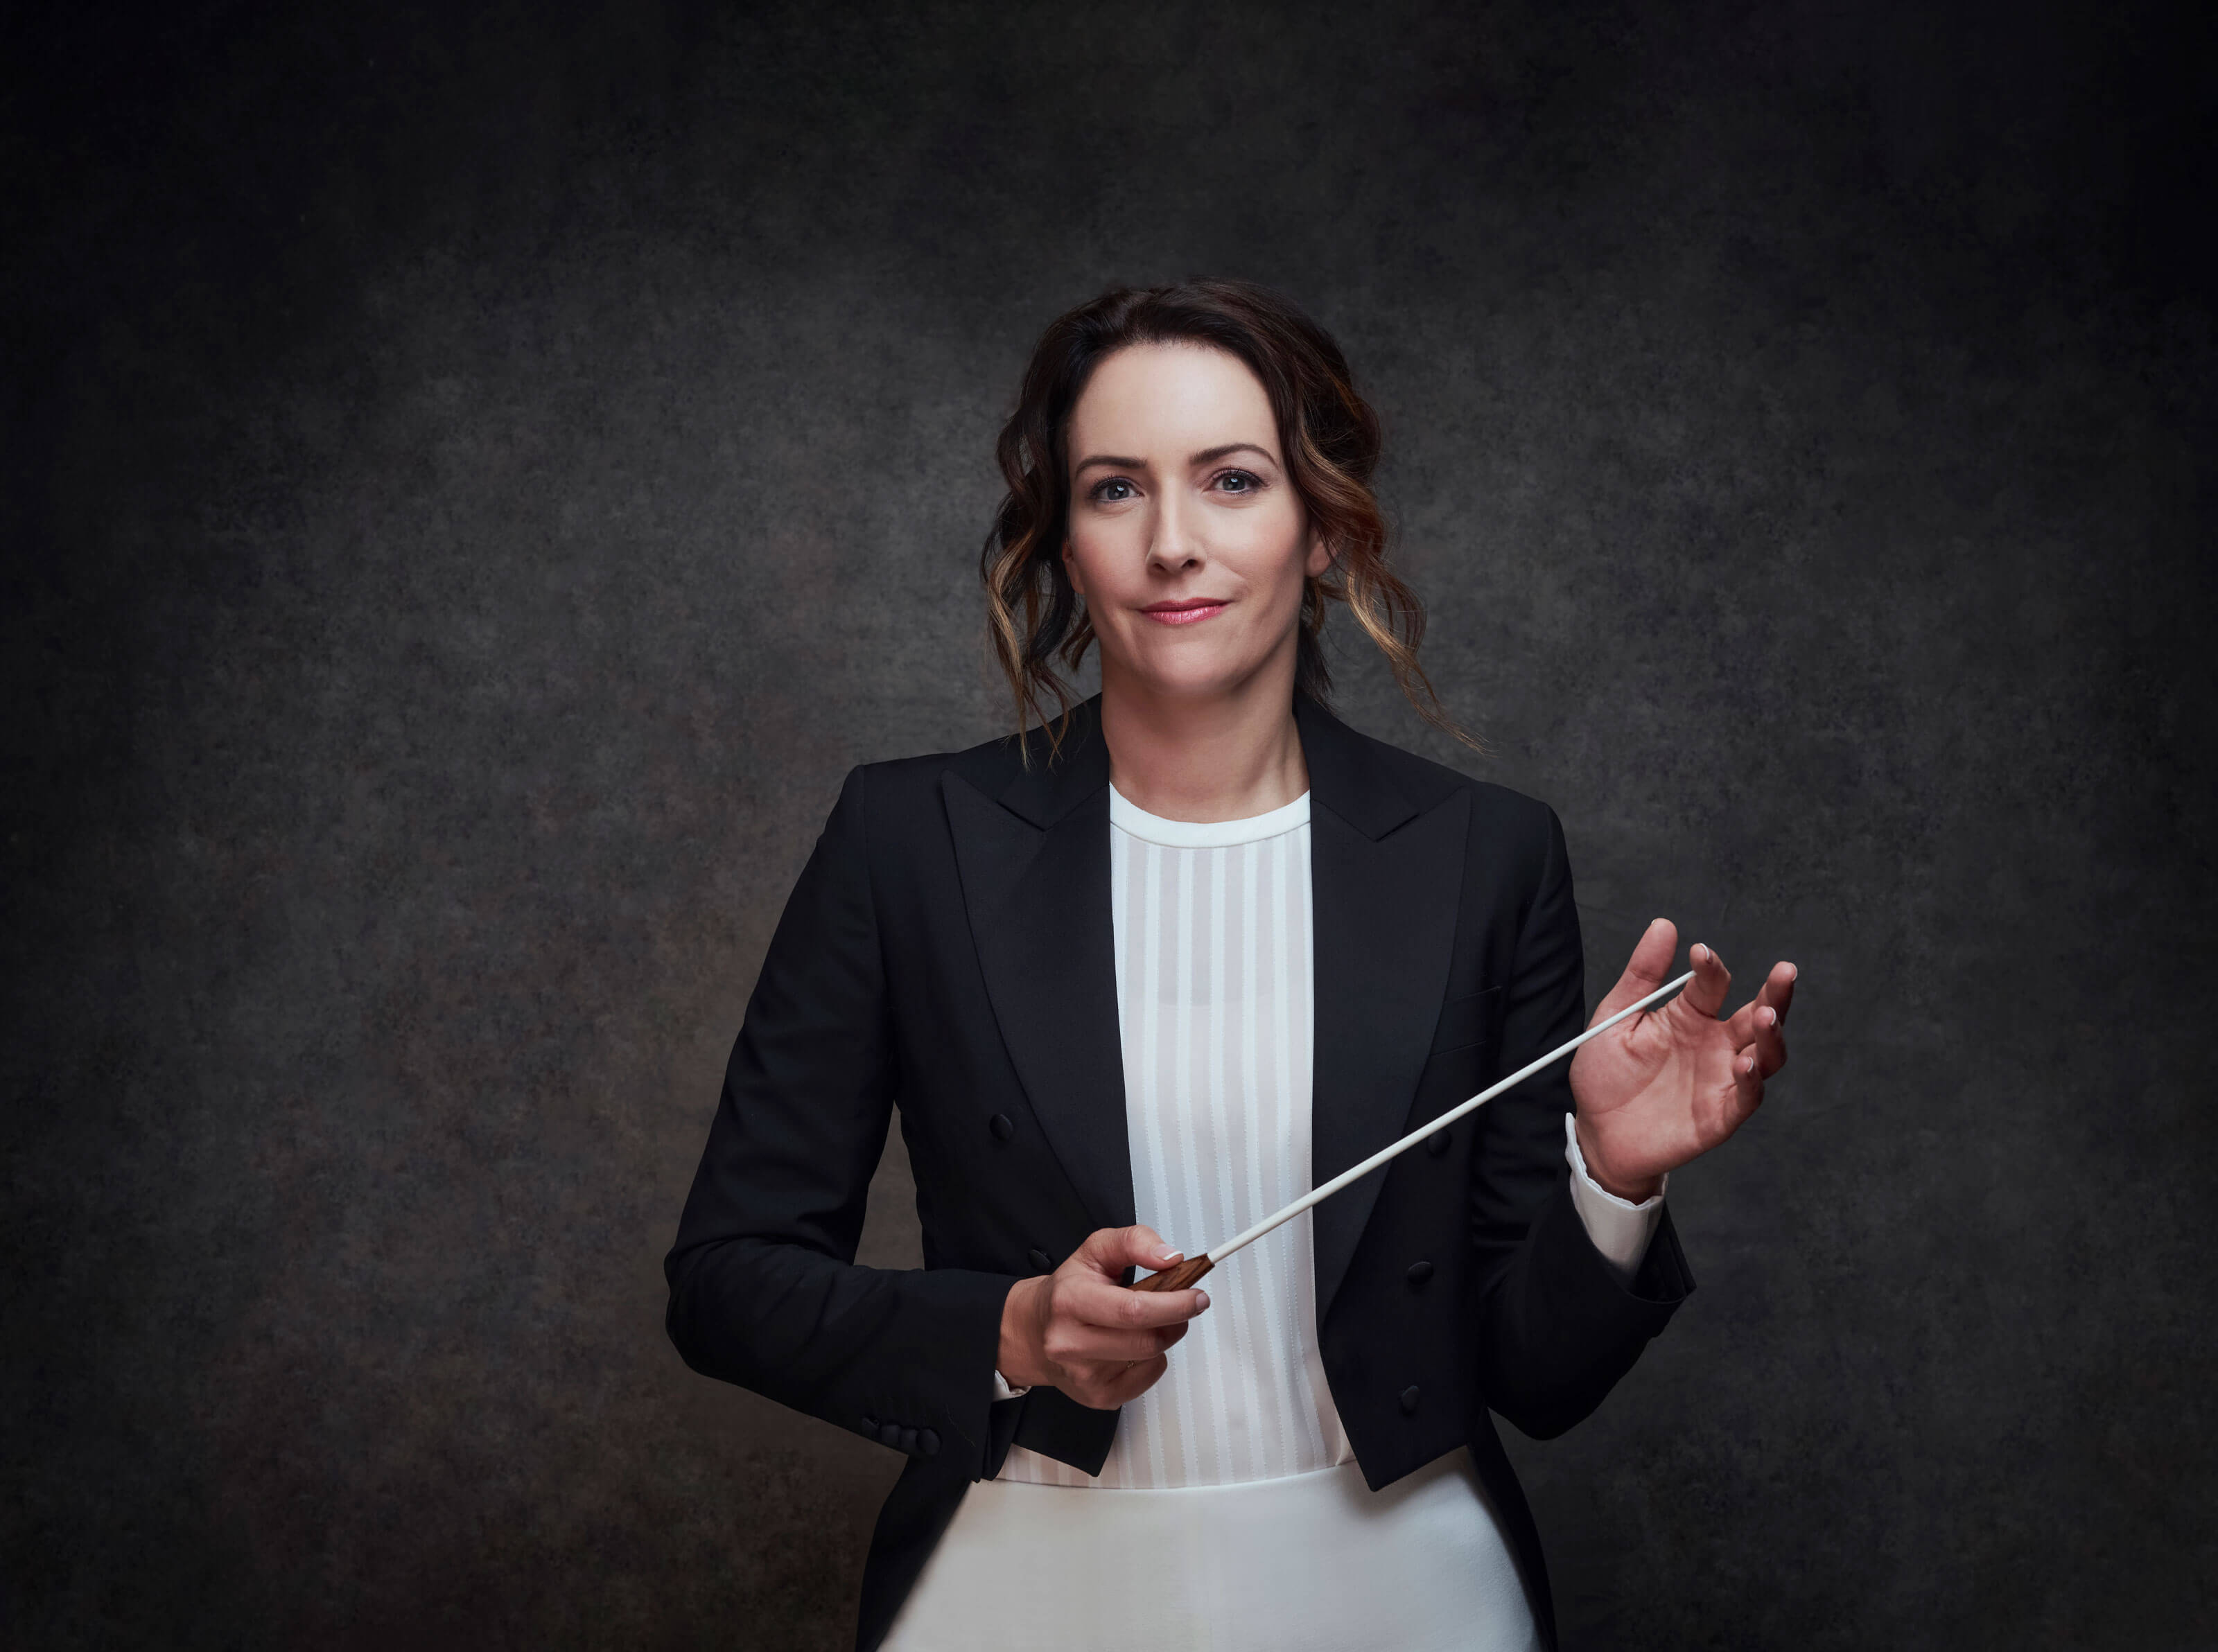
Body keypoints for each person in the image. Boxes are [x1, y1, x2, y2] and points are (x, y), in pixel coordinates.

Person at [663, 279, 1797, 1651]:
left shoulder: (1484, 856)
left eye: (1232, 480)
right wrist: (1011, 1333)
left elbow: (1535, 1376)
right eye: (1114, 490)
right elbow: (726, 1281)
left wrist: (1611, 1177)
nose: (1172, 544)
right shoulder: (908, 840)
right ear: (1067, 542)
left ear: (1319, 528)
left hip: (1404, 1592)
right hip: (1020, 1587)